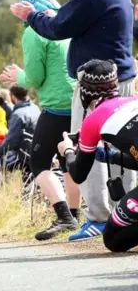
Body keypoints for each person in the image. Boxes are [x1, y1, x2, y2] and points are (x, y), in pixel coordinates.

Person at [10, 0, 137, 241]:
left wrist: (32, 16)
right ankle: (128, 213)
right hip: (124, 77)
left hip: (95, 84)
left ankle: (97, 217)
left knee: (87, 147)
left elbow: (58, 28)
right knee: (126, 146)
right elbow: (77, 19)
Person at [0, 0, 80, 241]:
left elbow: (34, 78)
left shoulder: (34, 31)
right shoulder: (62, 22)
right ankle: (75, 215)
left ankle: (64, 217)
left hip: (55, 105)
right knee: (69, 159)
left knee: (39, 162)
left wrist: (17, 76)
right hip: (77, 101)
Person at [56, 60, 138, 251]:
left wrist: (68, 150)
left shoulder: (92, 120)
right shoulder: (134, 100)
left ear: (85, 92)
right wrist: (105, 155)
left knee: (112, 239)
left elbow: (78, 174)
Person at [0, 86, 39, 173]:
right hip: (35, 151)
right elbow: (21, 115)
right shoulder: (34, 108)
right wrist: (3, 104)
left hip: (22, 155)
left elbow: (9, 143)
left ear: (12, 96)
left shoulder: (18, 114)